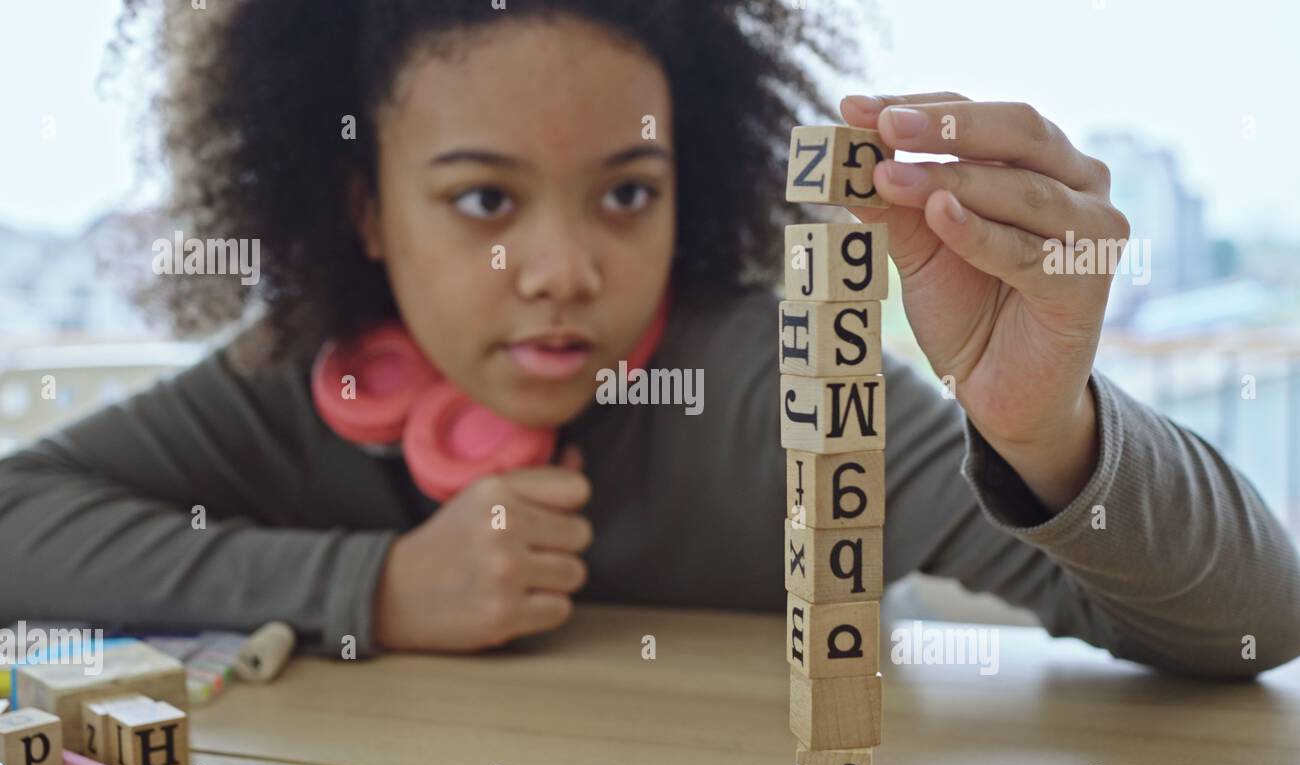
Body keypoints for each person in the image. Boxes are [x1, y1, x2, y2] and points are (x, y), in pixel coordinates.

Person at [1, 0, 1296, 679]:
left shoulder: (783, 385)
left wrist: (1047, 433)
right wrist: (372, 591)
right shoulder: (293, 375)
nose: (565, 270)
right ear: (365, 210)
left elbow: (1255, 629)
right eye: (485, 200)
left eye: (628, 191)